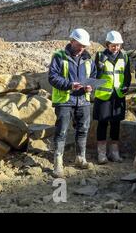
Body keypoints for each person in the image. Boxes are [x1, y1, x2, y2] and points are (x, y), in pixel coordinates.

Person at [48, 28, 97, 178]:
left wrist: (91, 86)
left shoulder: (88, 58)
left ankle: (80, 158)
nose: (82, 48)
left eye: (84, 45)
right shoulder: (59, 56)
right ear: (72, 41)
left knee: (83, 129)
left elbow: (94, 75)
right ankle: (58, 163)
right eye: (80, 44)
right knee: (62, 131)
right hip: (64, 100)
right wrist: (69, 85)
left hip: (83, 100)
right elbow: (52, 77)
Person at [93, 31, 131, 164]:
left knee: (116, 124)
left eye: (118, 45)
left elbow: (127, 76)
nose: (116, 48)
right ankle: (101, 154)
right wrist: (100, 66)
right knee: (102, 123)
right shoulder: (99, 56)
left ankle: (114, 152)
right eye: (113, 45)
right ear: (107, 44)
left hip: (118, 95)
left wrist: (126, 86)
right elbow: (95, 77)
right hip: (104, 96)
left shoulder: (124, 57)